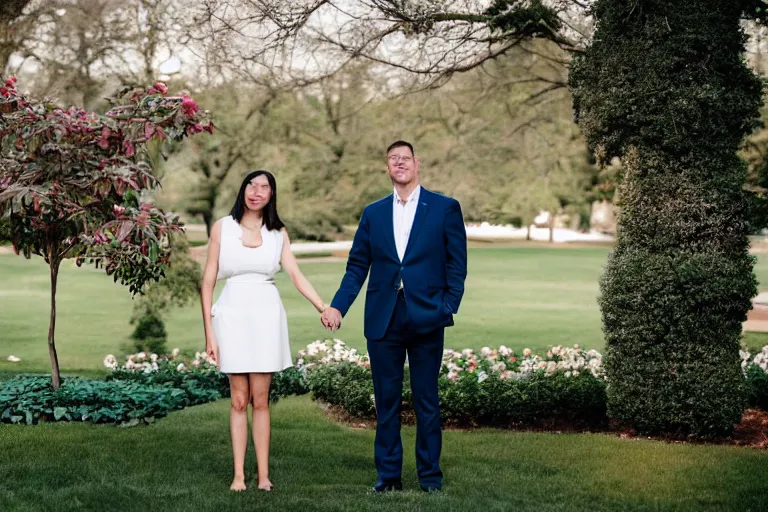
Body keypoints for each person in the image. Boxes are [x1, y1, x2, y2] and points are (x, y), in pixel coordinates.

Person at [321, 140, 468, 493]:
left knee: (426, 400)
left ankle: (430, 478)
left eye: (405, 158)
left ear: (417, 163)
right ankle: (388, 478)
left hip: (427, 315)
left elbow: (457, 264)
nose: (399, 164)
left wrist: (448, 306)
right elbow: (357, 266)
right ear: (387, 168)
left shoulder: (445, 208)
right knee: (386, 402)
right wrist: (338, 306)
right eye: (392, 159)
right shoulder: (373, 213)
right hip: (383, 317)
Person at [200, 170, 328, 492]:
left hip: (266, 317)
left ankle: (264, 475)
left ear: (271, 195)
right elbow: (208, 282)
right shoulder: (222, 228)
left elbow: (296, 275)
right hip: (231, 316)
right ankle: (239, 476)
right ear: (243, 190)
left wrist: (322, 307)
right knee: (238, 400)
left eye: (264, 187)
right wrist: (209, 333)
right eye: (251, 185)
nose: (256, 192)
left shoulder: (277, 233)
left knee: (261, 399)